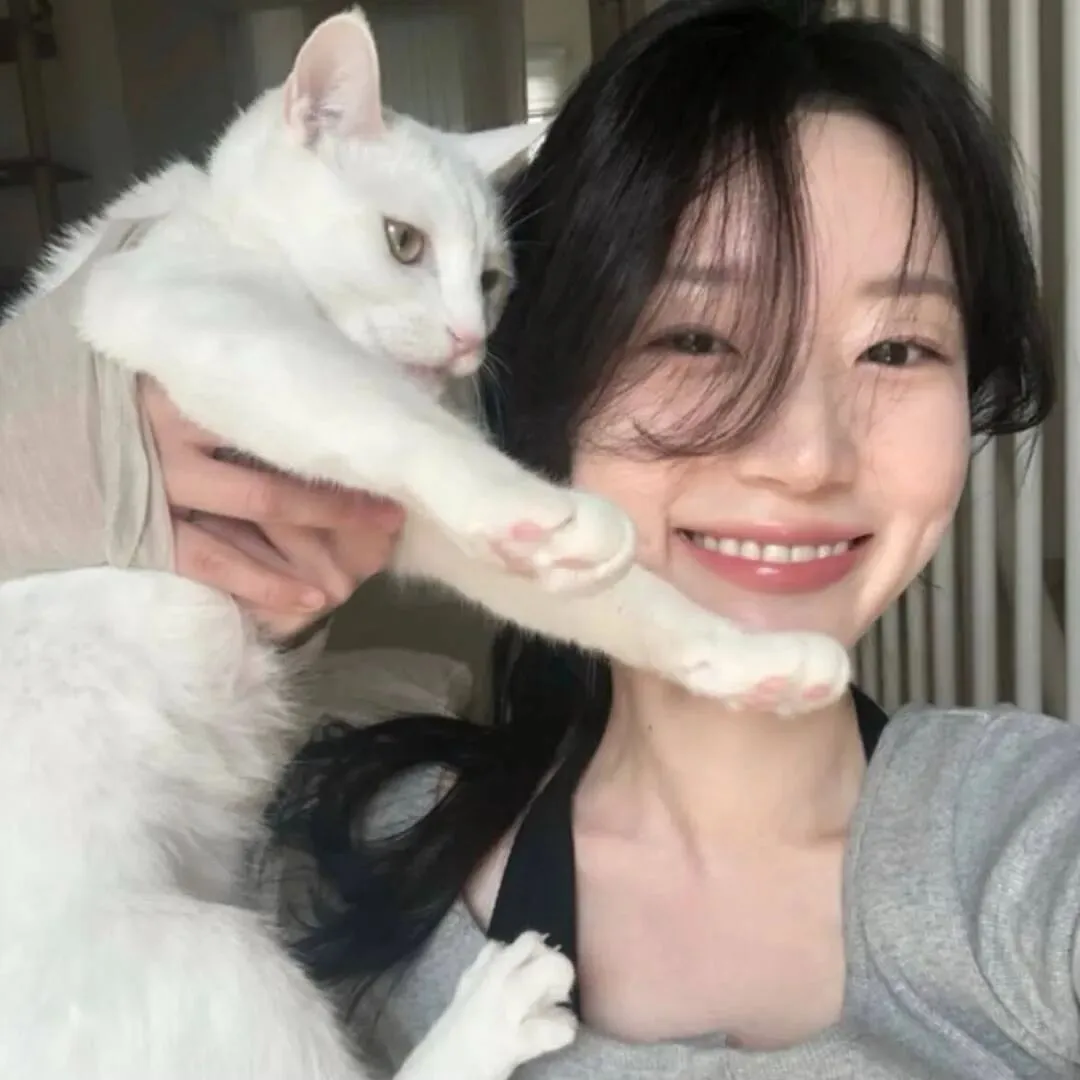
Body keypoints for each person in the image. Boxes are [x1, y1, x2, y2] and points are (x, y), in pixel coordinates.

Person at [149, 1, 1075, 1075]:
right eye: (695, 337)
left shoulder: (1026, 844)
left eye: (897, 349)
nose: (806, 456)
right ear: (552, 386)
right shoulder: (331, 863)